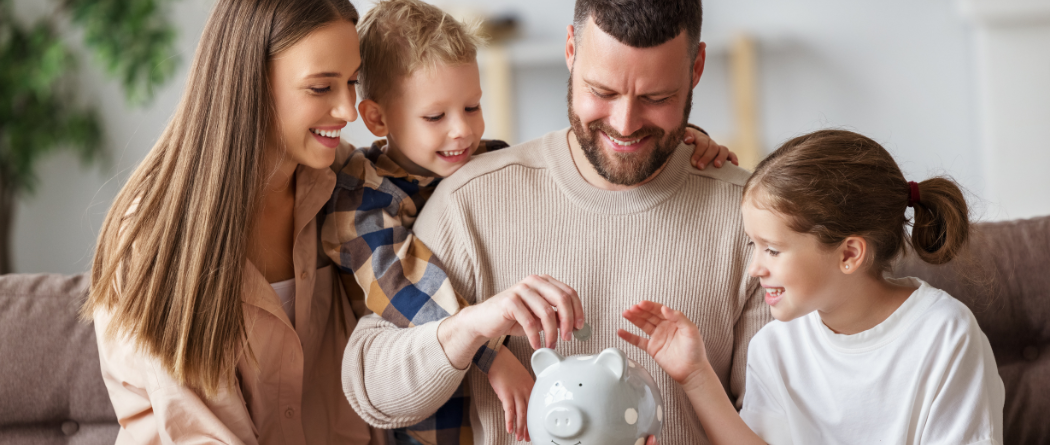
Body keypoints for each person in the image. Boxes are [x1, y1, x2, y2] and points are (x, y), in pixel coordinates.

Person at [340, 0, 771, 443]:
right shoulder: (471, 195)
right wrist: (472, 327)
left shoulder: (752, 219)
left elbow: (784, 425)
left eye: (656, 98)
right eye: (602, 92)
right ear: (570, 50)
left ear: (696, 67)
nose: (624, 124)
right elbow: (373, 392)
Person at [82, 0, 380, 443]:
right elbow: (196, 431)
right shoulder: (154, 232)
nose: (348, 111)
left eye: (352, 83)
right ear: (252, 84)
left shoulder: (346, 182)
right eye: (321, 88)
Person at [620, 129, 1005, 444]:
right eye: (752, 246)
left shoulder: (945, 335)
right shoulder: (775, 346)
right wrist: (695, 375)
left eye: (772, 250)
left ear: (849, 254)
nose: (754, 268)